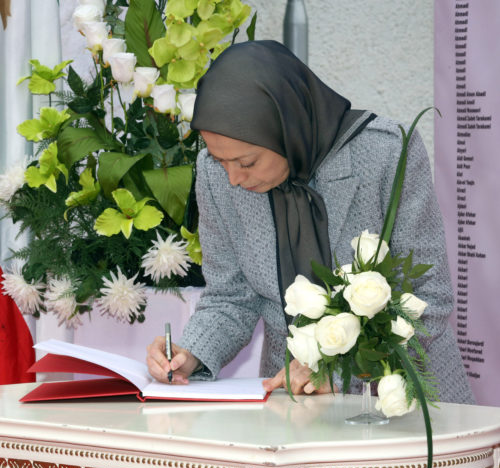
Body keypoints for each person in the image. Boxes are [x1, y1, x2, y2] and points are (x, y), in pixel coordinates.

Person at [146, 40, 474, 407]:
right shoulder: (215, 174)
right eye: (222, 161)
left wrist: (332, 371)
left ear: (286, 129)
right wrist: (191, 353)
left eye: (247, 162)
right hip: (291, 405)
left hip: (401, 401)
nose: (234, 178)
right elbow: (230, 296)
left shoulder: (387, 153)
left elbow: (428, 297)